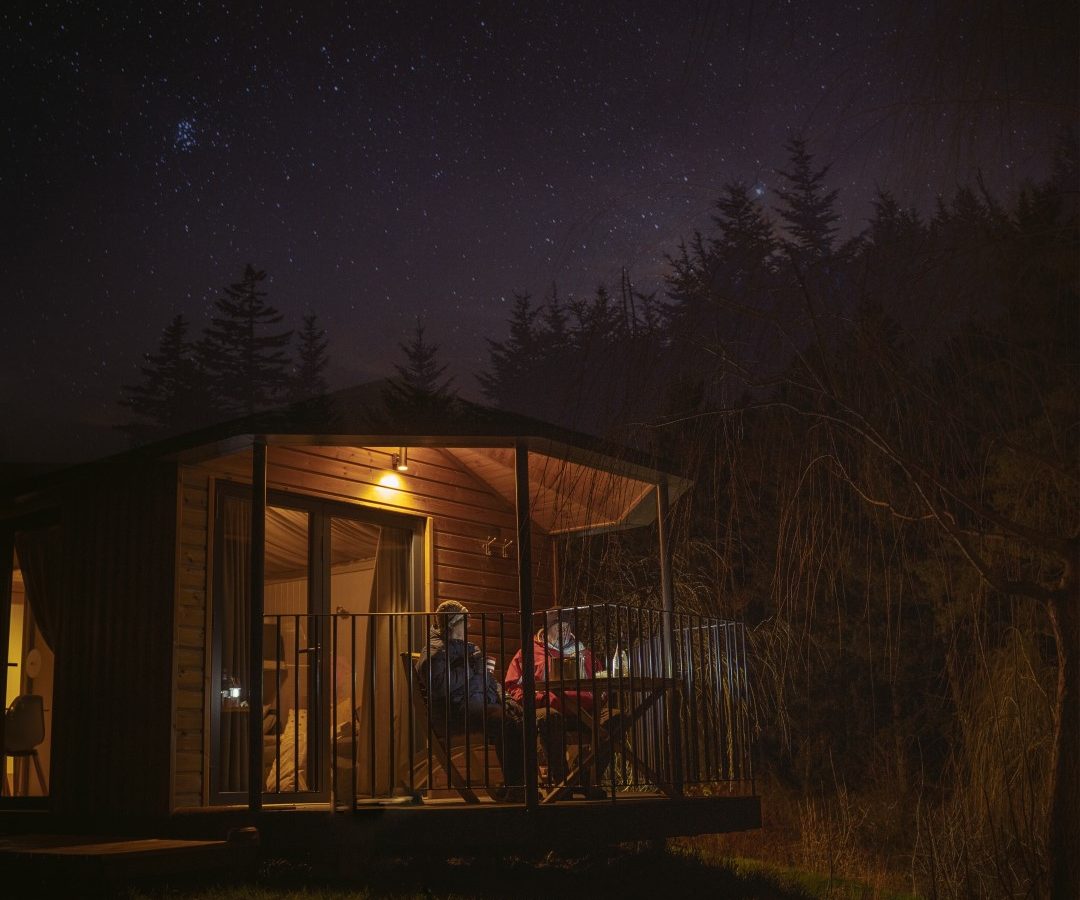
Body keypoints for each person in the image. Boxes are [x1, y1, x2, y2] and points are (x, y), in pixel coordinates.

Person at [504, 608, 619, 800]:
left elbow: (601, 681)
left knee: (616, 718)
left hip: (586, 712)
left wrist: (600, 697)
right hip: (550, 709)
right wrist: (541, 699)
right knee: (550, 717)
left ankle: (586, 777)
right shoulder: (530, 653)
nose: (564, 631)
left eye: (567, 626)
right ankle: (562, 783)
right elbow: (513, 686)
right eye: (559, 627)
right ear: (547, 628)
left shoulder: (585, 653)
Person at [416, 600, 524, 800]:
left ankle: (516, 786)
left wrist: (506, 698)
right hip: (454, 713)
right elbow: (439, 685)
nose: (469, 626)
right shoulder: (434, 651)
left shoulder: (469, 648)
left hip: (476, 706)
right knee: (504, 721)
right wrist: (470, 669)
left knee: (518, 717)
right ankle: (516, 787)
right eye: (465, 621)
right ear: (452, 624)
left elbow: (490, 681)